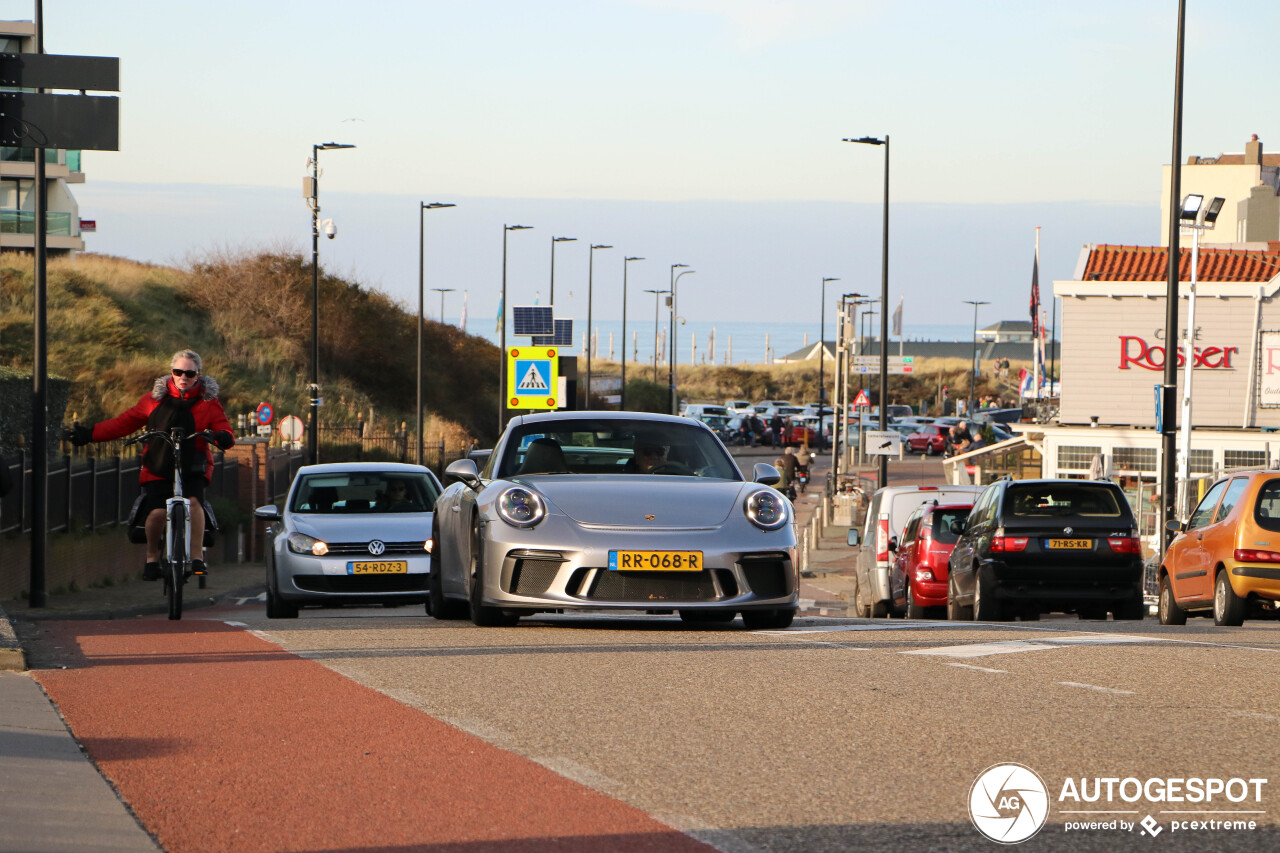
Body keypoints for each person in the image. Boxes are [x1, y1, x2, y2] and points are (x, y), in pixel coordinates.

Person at [68, 349, 234, 580]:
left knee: (194, 502)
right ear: (171, 373)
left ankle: (197, 557)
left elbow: (222, 426)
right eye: (178, 372)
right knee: (156, 513)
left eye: (189, 373)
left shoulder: (209, 403)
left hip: (193, 464)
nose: (183, 377)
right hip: (158, 463)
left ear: (198, 375)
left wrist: (223, 436)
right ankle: (151, 558)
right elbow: (124, 423)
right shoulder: (153, 400)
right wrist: (90, 434)